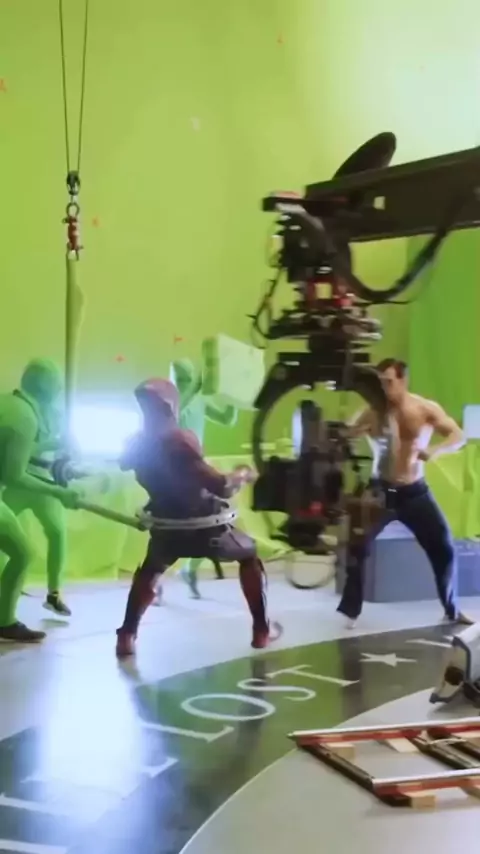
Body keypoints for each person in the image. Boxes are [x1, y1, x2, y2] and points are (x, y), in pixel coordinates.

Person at [115, 378, 280, 658]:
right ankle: (261, 629)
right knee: (249, 554)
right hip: (206, 532)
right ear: (171, 407)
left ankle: (127, 635)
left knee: (150, 570)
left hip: (167, 531)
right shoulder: (179, 442)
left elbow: (124, 463)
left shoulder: (137, 443)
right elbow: (221, 486)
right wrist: (242, 474)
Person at [338, 357, 472, 628]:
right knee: (357, 548)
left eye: (388, 382)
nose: (383, 388)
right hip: (380, 491)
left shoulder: (424, 408)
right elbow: (347, 435)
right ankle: (351, 611)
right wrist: (348, 432)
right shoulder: (371, 412)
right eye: (380, 383)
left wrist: (435, 450)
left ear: (403, 380)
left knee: (444, 547)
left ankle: (451, 609)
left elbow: (458, 436)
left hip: (414, 492)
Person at [0, 359, 79, 643]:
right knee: (22, 552)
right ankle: (5, 621)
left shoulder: (10, 403)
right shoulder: (24, 416)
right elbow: (13, 475)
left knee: (53, 533)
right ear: (48, 386)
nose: (59, 389)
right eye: (56, 384)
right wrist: (60, 493)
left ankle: (51, 592)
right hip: (23, 482)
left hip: (36, 481)